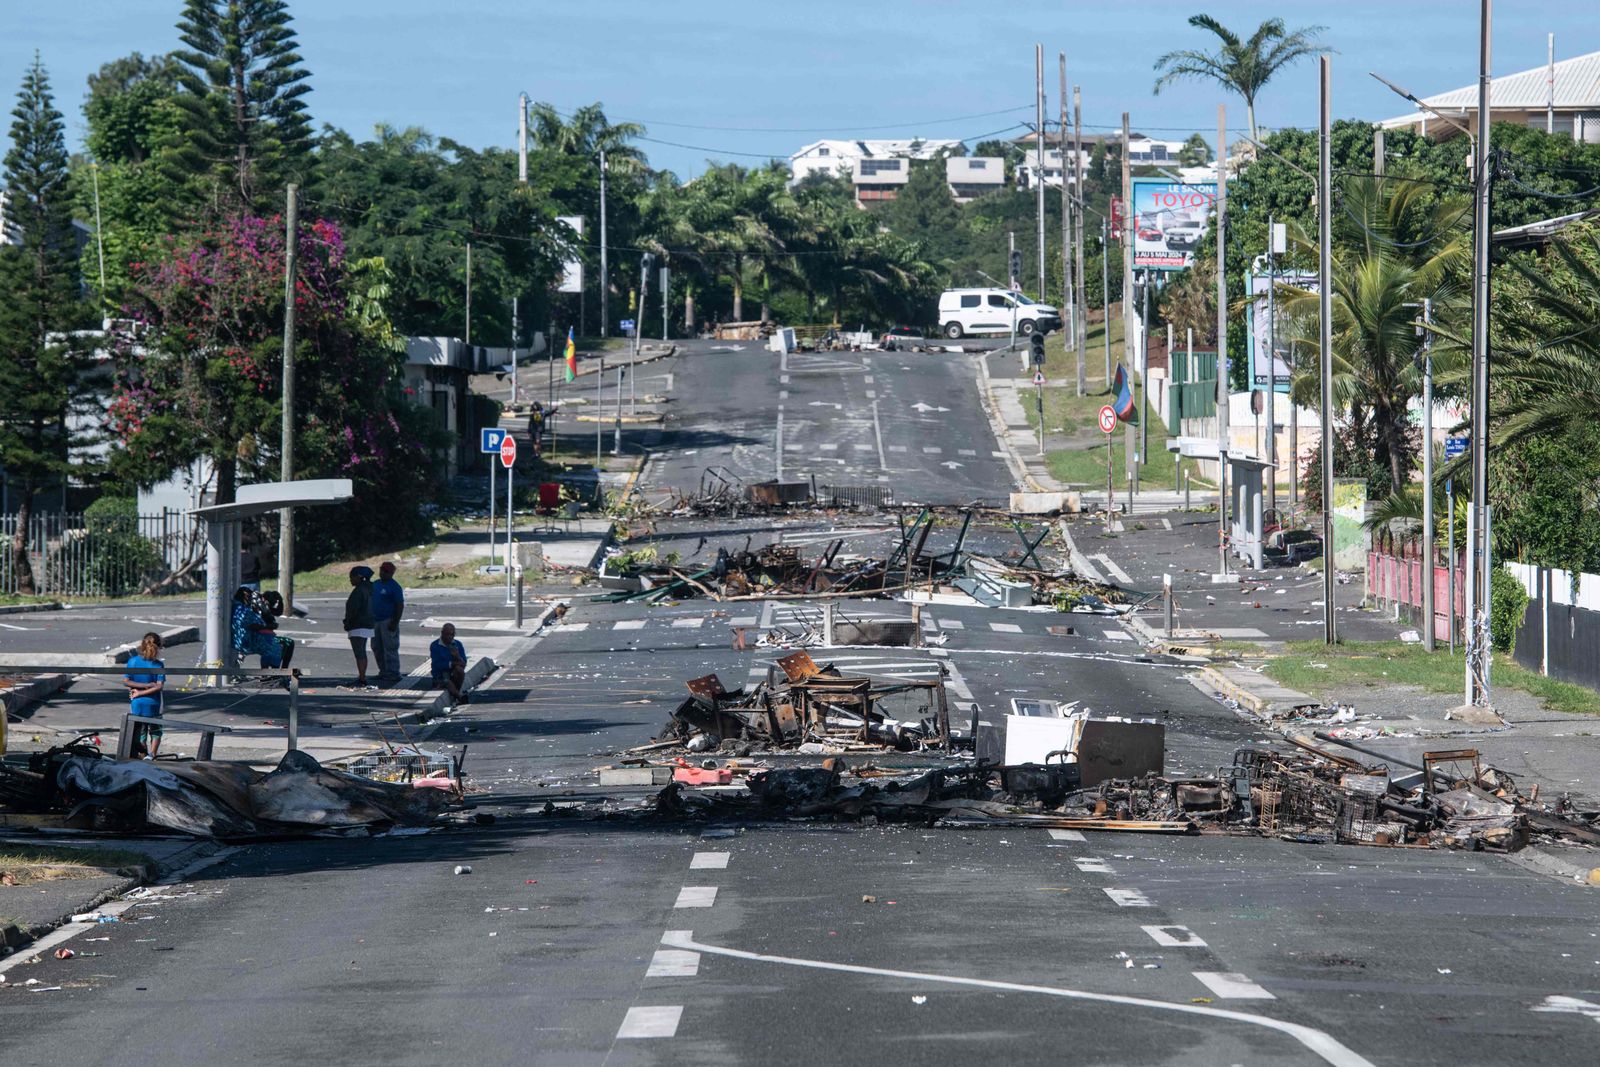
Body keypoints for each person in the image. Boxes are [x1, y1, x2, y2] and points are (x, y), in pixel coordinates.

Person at [122, 631, 166, 758]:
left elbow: (126, 681)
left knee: (140, 731)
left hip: (136, 701)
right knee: (156, 731)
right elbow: (159, 686)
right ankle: (152, 756)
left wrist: (138, 691)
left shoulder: (133, 661)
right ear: (159, 646)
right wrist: (147, 687)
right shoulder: (158, 664)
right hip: (154, 703)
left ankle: (142, 754)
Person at [231, 587, 284, 670]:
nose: (250, 599)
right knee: (274, 646)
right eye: (249, 597)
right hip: (245, 641)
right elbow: (252, 625)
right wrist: (268, 627)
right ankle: (268, 673)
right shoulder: (242, 609)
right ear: (245, 596)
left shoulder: (241, 607)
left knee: (274, 643)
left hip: (244, 638)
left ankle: (271, 673)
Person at [370, 561, 405, 685]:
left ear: (391, 573)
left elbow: (399, 605)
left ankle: (393, 673)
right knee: (376, 647)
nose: (383, 573)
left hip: (388, 620)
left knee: (390, 647)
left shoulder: (394, 587)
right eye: (382, 570)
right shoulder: (376, 584)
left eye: (386, 571)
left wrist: (395, 621)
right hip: (375, 620)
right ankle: (383, 671)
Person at [343, 565, 376, 689]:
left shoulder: (359, 591)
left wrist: (347, 622)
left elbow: (353, 610)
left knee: (359, 653)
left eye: (352, 577)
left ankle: (362, 678)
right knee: (361, 652)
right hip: (368, 624)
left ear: (359, 577)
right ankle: (362, 677)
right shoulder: (370, 589)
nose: (350, 580)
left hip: (358, 625)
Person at [428, 623, 469, 706]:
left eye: (452, 634)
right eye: (447, 634)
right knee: (446, 682)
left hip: (453, 674)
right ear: (442, 633)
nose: (450, 637)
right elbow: (437, 665)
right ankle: (459, 697)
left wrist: (457, 656)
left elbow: (463, 663)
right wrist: (451, 664)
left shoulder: (457, 644)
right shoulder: (435, 646)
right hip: (440, 675)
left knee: (459, 670)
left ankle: (455, 692)